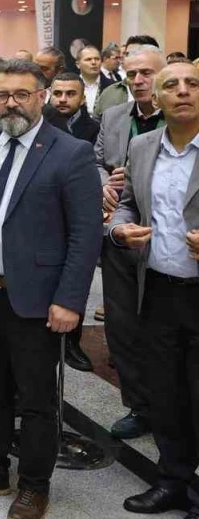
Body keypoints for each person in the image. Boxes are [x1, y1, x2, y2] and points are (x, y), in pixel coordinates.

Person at [0, 58, 100, 519]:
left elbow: (85, 235)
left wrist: (70, 300)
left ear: (42, 97)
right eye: (2, 95)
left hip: (35, 299)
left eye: (22, 94)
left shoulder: (70, 153)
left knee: (35, 400)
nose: (11, 103)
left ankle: (34, 485)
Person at [108, 62, 199, 519]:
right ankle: (172, 480)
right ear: (154, 99)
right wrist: (119, 228)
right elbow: (127, 202)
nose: (182, 91)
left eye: (192, 83)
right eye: (171, 85)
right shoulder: (143, 146)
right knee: (165, 394)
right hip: (158, 289)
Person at [95, 44, 165, 440]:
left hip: (170, 240)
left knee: (166, 328)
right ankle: (139, 407)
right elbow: (95, 161)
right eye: (131, 74)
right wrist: (104, 183)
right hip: (120, 234)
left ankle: (174, 408)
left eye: (146, 73)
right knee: (122, 327)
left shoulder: (184, 119)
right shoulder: (114, 116)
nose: (138, 81)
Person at [96, 35, 162, 117]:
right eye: (127, 54)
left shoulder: (174, 113)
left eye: (138, 53)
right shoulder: (110, 93)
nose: (137, 81)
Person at [46, 72, 101, 145]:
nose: (63, 100)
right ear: (50, 96)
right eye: (57, 94)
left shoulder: (95, 130)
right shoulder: (37, 123)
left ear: (82, 99)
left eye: (71, 94)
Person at [75, 45, 102, 114]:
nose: (94, 62)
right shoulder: (70, 85)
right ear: (78, 64)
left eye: (97, 59)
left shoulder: (112, 86)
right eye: (88, 59)